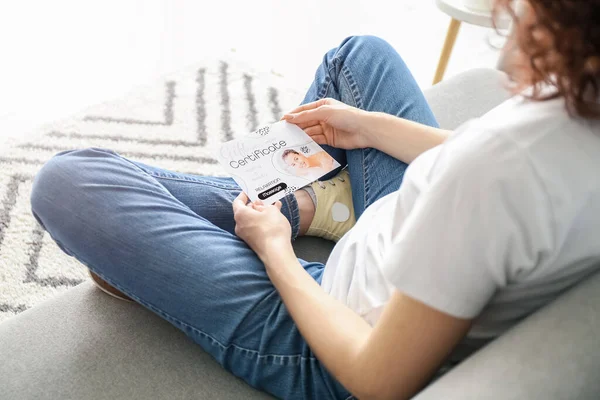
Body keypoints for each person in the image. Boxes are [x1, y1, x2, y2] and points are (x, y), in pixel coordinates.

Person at [30, 0, 600, 398]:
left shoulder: (497, 173)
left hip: (334, 336)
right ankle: (316, 205)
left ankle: (292, 212)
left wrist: (276, 250)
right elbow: (472, 155)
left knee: (70, 181)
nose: (506, 58)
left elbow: (375, 380)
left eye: (535, 26)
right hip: (409, 233)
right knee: (359, 58)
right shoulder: (579, 104)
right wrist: (370, 128)